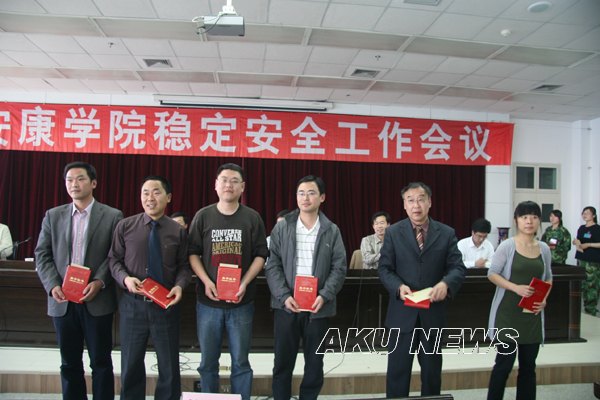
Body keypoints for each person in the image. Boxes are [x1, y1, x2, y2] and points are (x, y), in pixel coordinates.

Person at [35, 161, 123, 400]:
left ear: (93, 183)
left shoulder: (112, 216)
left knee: (101, 361)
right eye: (69, 180)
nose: (74, 184)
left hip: (97, 299)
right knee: (69, 362)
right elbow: (42, 254)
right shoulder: (53, 215)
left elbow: (115, 255)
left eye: (80, 178)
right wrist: (53, 285)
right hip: (63, 300)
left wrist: (99, 281)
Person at [188, 163, 268, 400]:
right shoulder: (203, 216)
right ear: (215, 185)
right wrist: (206, 281)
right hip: (208, 303)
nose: (228, 185)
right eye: (224, 180)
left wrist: (244, 282)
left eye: (234, 181)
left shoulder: (252, 218)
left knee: (241, 361)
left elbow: (261, 255)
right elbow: (192, 253)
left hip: (241, 302)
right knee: (207, 362)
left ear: (242, 187)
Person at [378, 181, 466, 398]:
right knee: (397, 372)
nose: (416, 205)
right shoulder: (393, 232)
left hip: (432, 313)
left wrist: (446, 284)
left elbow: (457, 268)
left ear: (429, 202)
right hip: (402, 314)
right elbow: (384, 268)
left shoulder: (446, 233)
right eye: (410, 200)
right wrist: (398, 287)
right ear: (404, 205)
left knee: (432, 373)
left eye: (420, 199)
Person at [109, 175, 191, 400]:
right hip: (133, 305)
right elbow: (114, 260)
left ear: (168, 197)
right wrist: (125, 279)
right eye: (145, 192)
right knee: (131, 363)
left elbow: (184, 267)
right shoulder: (125, 226)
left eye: (156, 192)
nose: (150, 198)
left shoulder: (177, 231)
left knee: (169, 365)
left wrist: (180, 286)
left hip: (165, 305)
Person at [265, 175, 347, 400]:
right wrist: (284, 296)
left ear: (322, 197)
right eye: (301, 193)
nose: (305, 198)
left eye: (311, 193)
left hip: (318, 308)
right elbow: (272, 265)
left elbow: (339, 267)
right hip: (286, 306)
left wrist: (325, 295)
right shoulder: (283, 227)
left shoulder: (331, 230)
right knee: (282, 362)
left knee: (314, 363)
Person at [487, 201, 552, 400]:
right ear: (516, 220)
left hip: (531, 316)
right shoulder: (507, 245)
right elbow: (492, 274)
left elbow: (548, 277)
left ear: (539, 221)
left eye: (534, 217)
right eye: (524, 217)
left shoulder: (543, 248)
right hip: (508, 315)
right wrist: (515, 288)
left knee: (528, 367)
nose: (529, 221)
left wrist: (544, 299)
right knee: (503, 365)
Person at [573, 206, 600, 316]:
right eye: (583, 213)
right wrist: (575, 242)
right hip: (581, 260)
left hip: (592, 262)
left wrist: (588, 244)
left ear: (593, 215)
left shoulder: (597, 228)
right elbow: (579, 240)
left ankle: (591, 309)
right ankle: (586, 308)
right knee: (583, 285)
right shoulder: (582, 228)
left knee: (591, 285)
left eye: (587, 213)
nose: (584, 215)